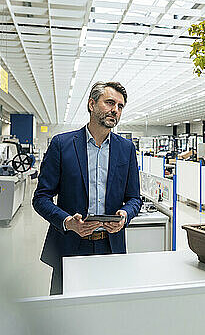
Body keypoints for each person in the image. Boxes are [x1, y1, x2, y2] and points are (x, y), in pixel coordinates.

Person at [32, 81, 142, 295]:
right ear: (92, 104)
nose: (115, 110)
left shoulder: (126, 149)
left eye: (120, 106)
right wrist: (67, 222)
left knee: (106, 313)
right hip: (70, 244)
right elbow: (41, 198)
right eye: (110, 102)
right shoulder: (62, 144)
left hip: (110, 246)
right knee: (65, 313)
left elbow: (134, 198)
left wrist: (125, 215)